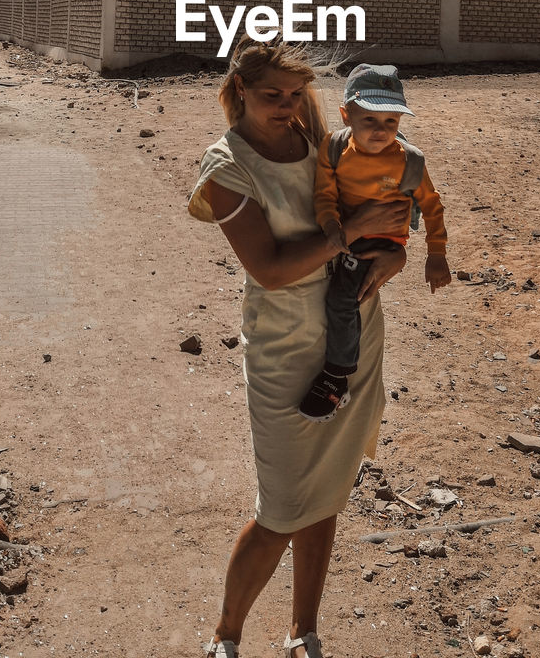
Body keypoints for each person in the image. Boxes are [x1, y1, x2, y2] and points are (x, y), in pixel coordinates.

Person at [188, 36, 409, 658]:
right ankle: (226, 637)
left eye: (294, 94)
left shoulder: (318, 140)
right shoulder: (226, 167)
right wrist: (349, 235)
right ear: (239, 93)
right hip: (285, 347)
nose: (285, 105)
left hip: (355, 334)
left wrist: (388, 252)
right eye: (270, 95)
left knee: (326, 494)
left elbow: (380, 208)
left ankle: (302, 630)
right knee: (283, 507)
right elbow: (271, 270)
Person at [298, 63, 451, 421]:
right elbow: (324, 194)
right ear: (346, 115)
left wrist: (436, 255)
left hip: (380, 243)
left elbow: (432, 205)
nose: (381, 132)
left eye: (391, 122)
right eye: (370, 120)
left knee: (341, 298)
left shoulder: (408, 161)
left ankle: (337, 376)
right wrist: (331, 224)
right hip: (348, 232)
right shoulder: (334, 148)